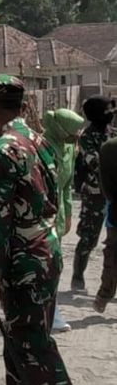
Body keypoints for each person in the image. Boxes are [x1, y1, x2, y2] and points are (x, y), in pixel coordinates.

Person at [0, 74, 78, 385]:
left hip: (22, 261)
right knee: (20, 334)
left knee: (31, 341)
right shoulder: (41, 140)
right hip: (48, 252)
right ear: (22, 106)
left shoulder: (1, 151)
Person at [42, 109, 84, 333]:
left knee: (54, 265)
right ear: (60, 128)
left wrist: (67, 214)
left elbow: (67, 186)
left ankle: (50, 311)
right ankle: (51, 313)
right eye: (73, 130)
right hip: (39, 215)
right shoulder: (41, 146)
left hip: (56, 216)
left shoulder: (69, 149)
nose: (76, 134)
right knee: (48, 266)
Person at [72, 95, 117, 292]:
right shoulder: (86, 137)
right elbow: (95, 163)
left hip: (113, 194)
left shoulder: (111, 133)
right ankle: (77, 276)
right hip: (95, 194)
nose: (112, 115)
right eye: (108, 112)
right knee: (89, 238)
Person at [94, 135, 117, 313]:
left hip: (115, 212)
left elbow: (106, 186)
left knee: (112, 253)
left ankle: (104, 295)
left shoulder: (109, 147)